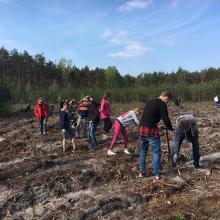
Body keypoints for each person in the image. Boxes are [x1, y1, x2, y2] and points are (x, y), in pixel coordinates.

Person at [138, 91, 174, 183]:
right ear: (165, 97)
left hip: (142, 128)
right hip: (151, 129)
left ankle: (141, 172)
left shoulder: (150, 101)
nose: (167, 101)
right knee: (156, 152)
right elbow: (166, 118)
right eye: (168, 100)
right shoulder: (161, 104)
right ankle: (156, 176)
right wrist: (170, 128)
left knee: (143, 151)